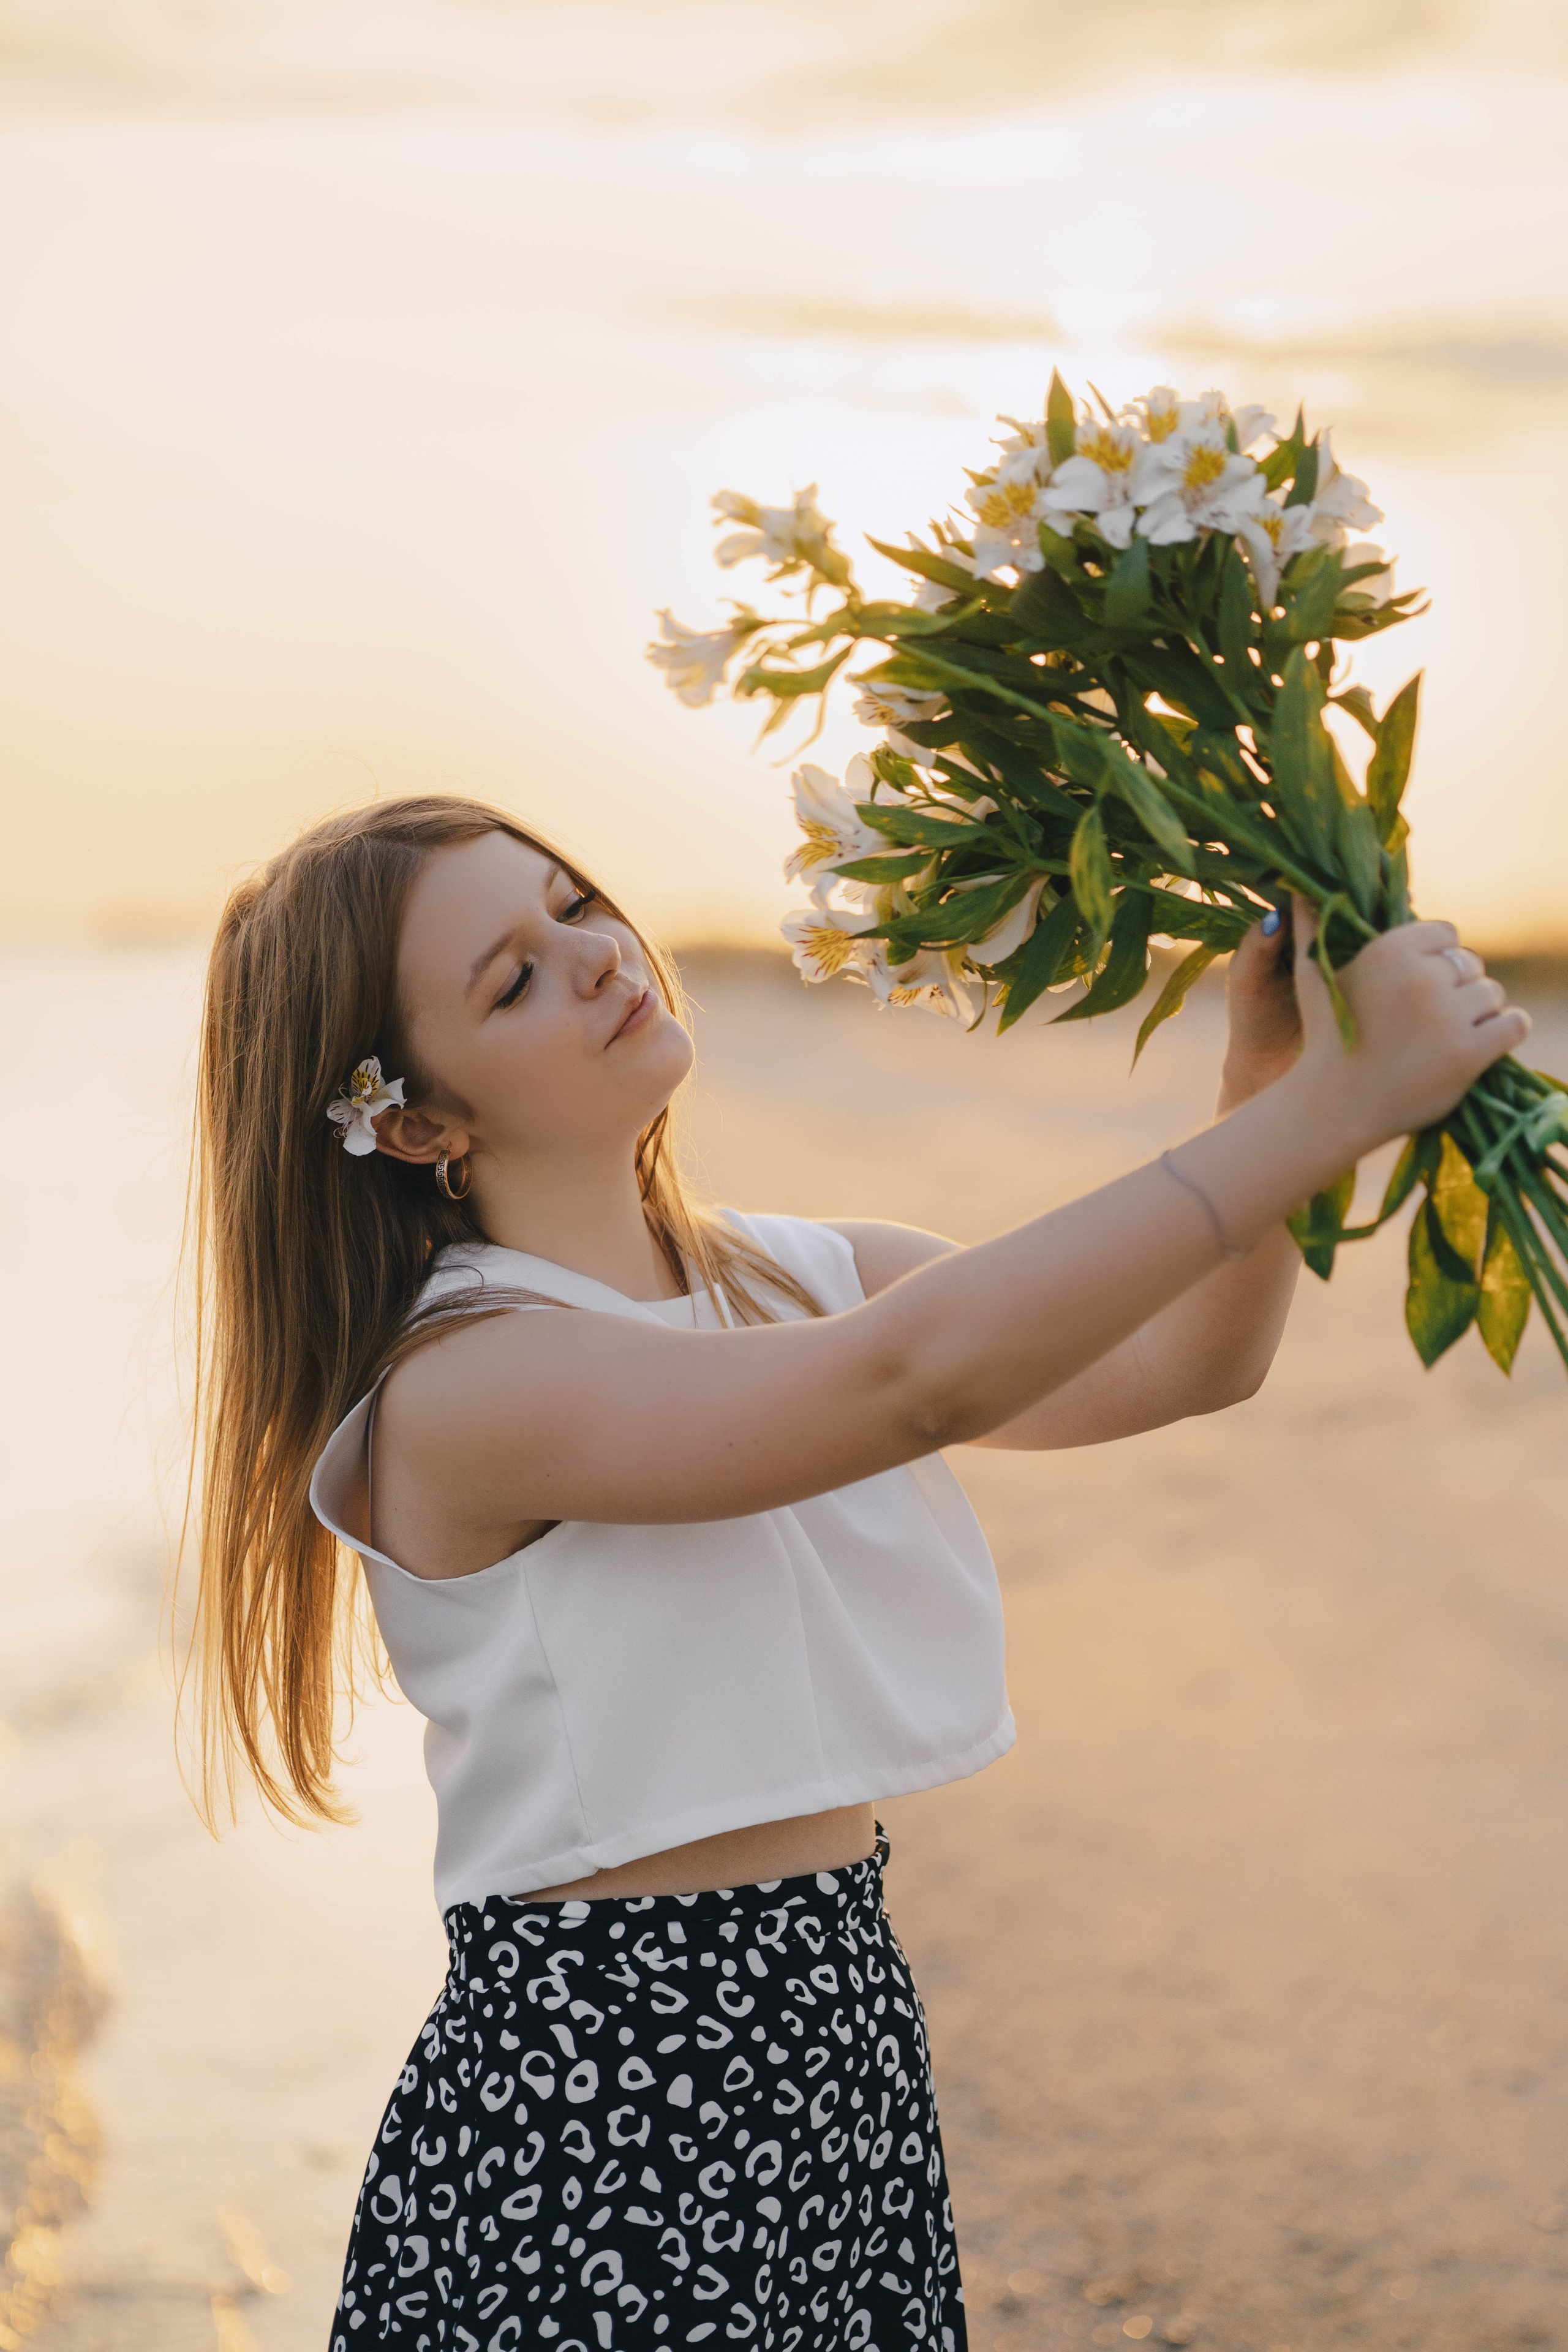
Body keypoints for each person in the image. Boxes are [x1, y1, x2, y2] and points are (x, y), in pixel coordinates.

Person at [187, 794, 1527, 2352]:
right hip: (600, 2105)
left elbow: (1181, 1361)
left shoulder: (801, 1275)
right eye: (513, 978)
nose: (595, 954)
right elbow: (910, 1385)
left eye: (572, 904)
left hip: (836, 2039)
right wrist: (1322, 1119)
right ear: (421, 1124)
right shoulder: (463, 1385)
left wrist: (1269, 1085)